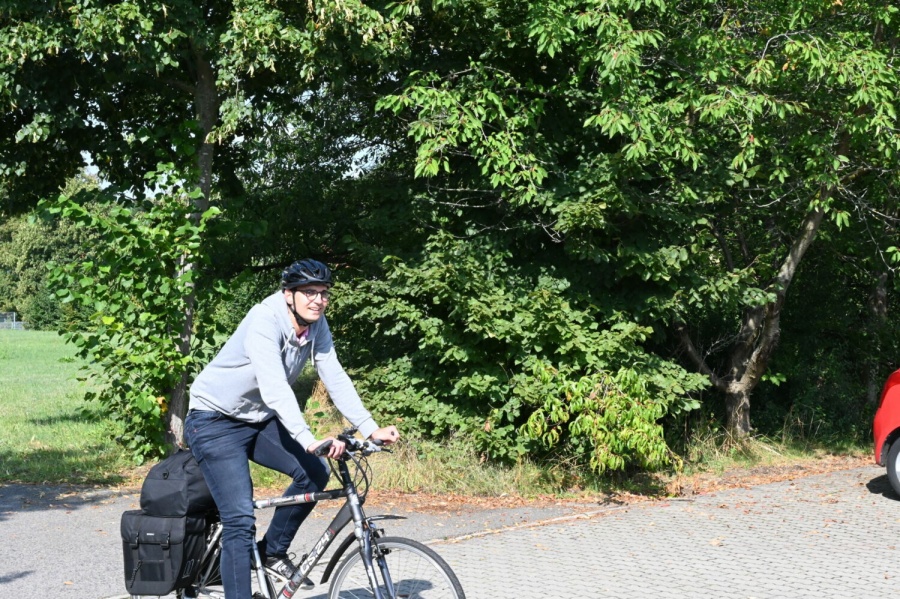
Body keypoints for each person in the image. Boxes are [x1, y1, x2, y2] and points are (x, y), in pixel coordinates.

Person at [185, 259, 399, 599]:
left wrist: (370, 428)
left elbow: (334, 376)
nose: (318, 300)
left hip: (257, 418)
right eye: (309, 292)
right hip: (214, 420)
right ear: (289, 295)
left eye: (324, 293)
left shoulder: (316, 324)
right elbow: (275, 388)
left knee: (314, 472)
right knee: (240, 519)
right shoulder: (264, 320)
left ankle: (271, 551)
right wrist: (307, 438)